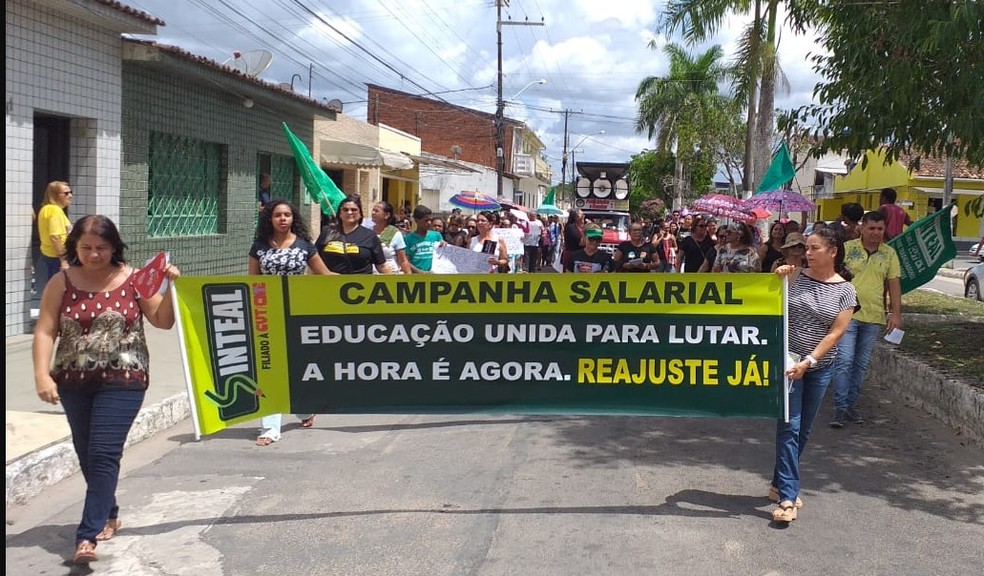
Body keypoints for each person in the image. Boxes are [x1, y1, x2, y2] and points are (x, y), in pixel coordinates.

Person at [32, 214, 181, 564]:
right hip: (73, 380)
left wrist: (171, 287)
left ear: (114, 247)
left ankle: (86, 536)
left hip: (124, 380)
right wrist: (42, 375)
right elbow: (45, 330)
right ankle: (109, 510)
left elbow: (162, 321)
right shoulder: (62, 281)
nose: (94, 255)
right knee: (86, 452)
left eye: (101, 248)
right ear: (75, 248)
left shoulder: (133, 280)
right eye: (86, 248)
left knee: (103, 452)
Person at [771, 228, 858, 523]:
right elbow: (770, 301)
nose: (807, 253)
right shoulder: (795, 276)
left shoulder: (846, 291)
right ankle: (787, 498)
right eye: (806, 248)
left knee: (803, 430)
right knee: (789, 427)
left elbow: (836, 333)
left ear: (832, 252)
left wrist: (809, 362)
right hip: (788, 364)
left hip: (818, 367)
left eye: (814, 248)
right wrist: (777, 275)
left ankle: (778, 483)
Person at [249, 200, 332, 446]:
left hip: (299, 315)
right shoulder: (259, 247)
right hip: (268, 315)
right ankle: (270, 428)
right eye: (277, 215)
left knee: (297, 368)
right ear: (270, 220)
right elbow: (253, 282)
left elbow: (325, 276)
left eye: (287, 215)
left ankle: (305, 410)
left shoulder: (305, 246)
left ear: (293, 218)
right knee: (268, 368)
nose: (283, 219)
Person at [830, 210, 902, 428]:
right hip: (847, 313)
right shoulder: (848, 249)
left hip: (874, 316)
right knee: (844, 360)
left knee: (860, 365)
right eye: (872, 228)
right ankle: (840, 408)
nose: (876, 233)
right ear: (862, 227)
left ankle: (850, 405)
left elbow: (894, 285)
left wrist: (896, 313)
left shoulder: (889, 254)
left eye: (880, 229)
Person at [317, 195, 394, 275]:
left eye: (354, 210)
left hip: (362, 285)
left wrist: (393, 283)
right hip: (329, 284)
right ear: (340, 213)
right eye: (345, 210)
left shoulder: (370, 236)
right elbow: (314, 261)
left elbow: (382, 266)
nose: (349, 212)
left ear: (360, 214)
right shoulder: (327, 232)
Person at [36, 181, 74, 294]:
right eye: (66, 193)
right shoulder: (55, 211)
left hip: (49, 255)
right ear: (55, 195)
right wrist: (63, 261)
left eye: (70, 192)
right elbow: (55, 237)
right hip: (56, 258)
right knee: (60, 291)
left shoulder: (46, 209)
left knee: (55, 289)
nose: (70, 195)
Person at [370, 201, 412, 275]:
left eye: (376, 211)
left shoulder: (395, 234)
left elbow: (402, 260)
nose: (373, 213)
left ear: (386, 215)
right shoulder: (368, 232)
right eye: (373, 210)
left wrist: (408, 276)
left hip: (390, 276)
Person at [404, 204, 443, 274]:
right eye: (426, 220)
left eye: (430, 220)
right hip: (417, 277)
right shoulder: (408, 239)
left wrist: (444, 245)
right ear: (416, 220)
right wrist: (419, 272)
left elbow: (442, 256)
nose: (429, 223)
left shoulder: (437, 236)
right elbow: (405, 261)